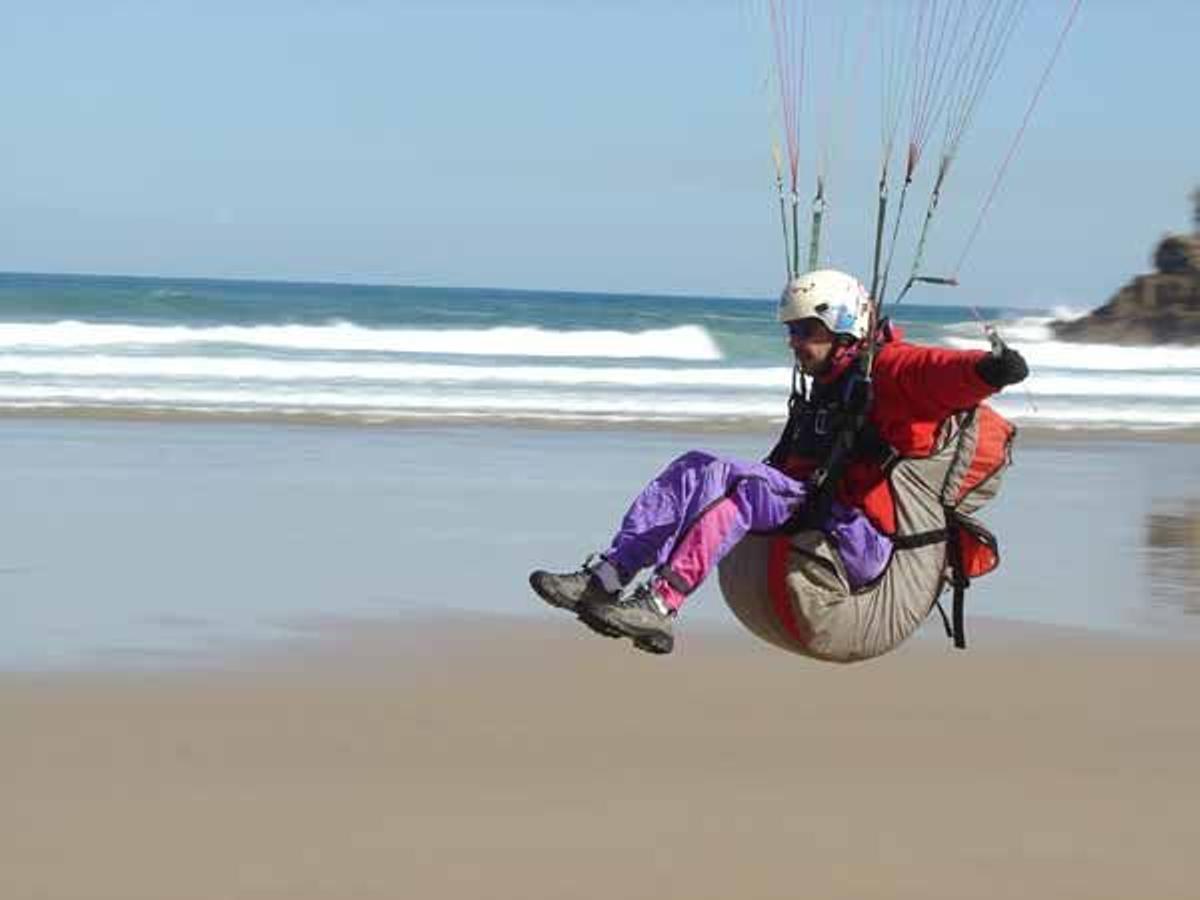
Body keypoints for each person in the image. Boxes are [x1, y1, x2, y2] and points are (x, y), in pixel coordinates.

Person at [528, 269, 1029, 655]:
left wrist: (986, 370)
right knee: (695, 467)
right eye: (791, 331)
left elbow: (934, 375)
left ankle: (661, 604)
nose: (794, 343)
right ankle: (608, 579)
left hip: (865, 538)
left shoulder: (888, 369)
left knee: (734, 483)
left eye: (806, 331)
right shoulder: (832, 377)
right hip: (820, 508)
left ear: (844, 326)